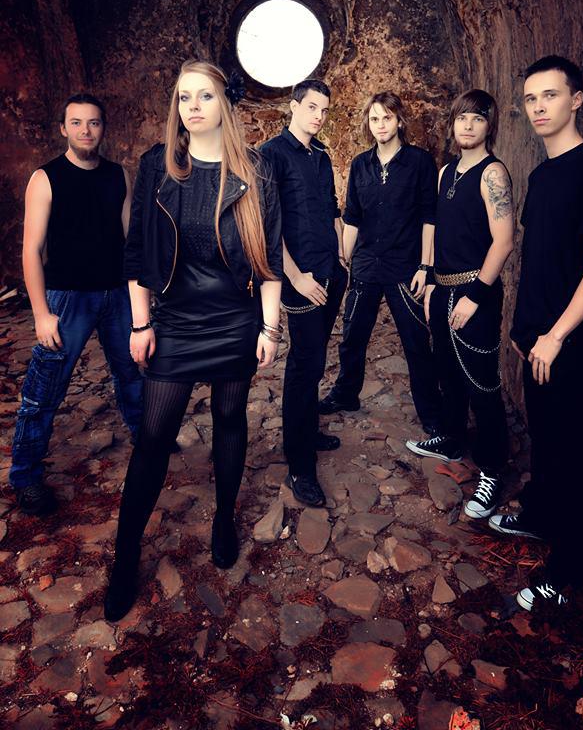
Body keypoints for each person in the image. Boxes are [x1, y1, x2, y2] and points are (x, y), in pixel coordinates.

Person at [104, 60, 282, 622]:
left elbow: (269, 259)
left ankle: (224, 519)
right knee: (153, 437)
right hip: (177, 321)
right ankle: (125, 557)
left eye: (204, 96)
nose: (193, 107)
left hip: (234, 321)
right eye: (184, 98)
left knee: (230, 418)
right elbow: (137, 253)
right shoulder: (157, 166)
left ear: (224, 103)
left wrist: (269, 328)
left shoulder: (255, 171)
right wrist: (140, 324)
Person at [489, 55, 583, 612]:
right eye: (531, 99)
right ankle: (542, 516)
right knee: (546, 439)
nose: (539, 107)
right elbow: (541, 260)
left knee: (577, 453)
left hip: (573, 342)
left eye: (550, 95)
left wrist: (557, 335)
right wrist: (525, 329)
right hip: (538, 339)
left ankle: (574, 566)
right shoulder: (542, 175)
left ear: (577, 100)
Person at [10, 94, 143, 515]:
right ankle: (25, 476)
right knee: (43, 391)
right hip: (67, 298)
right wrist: (40, 313)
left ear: (103, 128)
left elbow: (131, 241)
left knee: (132, 373)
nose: (86, 130)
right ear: (63, 129)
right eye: (77, 123)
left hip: (117, 293)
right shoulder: (45, 178)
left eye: (94, 123)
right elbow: (32, 250)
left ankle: (147, 439)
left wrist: (141, 298)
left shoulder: (119, 175)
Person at [405, 90, 514, 521]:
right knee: (447, 373)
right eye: (461, 118)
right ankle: (451, 439)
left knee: (482, 385)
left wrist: (475, 296)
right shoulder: (446, 171)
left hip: (475, 293)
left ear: (489, 126)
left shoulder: (493, 173)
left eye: (477, 118)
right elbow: (439, 228)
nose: (467, 126)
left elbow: (503, 242)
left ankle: (492, 470)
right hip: (444, 288)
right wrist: (431, 279)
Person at [319, 91, 441, 431]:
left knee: (416, 343)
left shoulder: (419, 162)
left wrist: (425, 267)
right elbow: (353, 218)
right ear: (368, 124)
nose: (381, 125)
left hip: (405, 268)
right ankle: (346, 394)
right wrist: (343, 260)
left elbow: (430, 218)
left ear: (399, 121)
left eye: (387, 118)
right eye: (374, 119)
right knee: (352, 338)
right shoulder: (361, 164)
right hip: (366, 266)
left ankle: (432, 415)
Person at [261, 79, 348, 508]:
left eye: (324, 110)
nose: (319, 116)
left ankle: (308, 429)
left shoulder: (322, 156)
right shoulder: (271, 154)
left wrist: (342, 257)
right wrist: (294, 277)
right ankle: (299, 466)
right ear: (293, 107)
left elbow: (331, 209)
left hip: (331, 272)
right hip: (302, 280)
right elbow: (268, 225)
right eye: (312, 107)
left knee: (315, 360)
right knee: (302, 367)